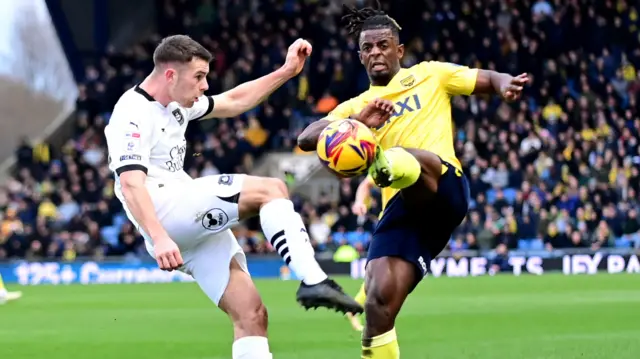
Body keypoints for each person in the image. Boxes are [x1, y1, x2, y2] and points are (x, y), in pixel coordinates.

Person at [104, 35, 362, 359]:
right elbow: (130, 184)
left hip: (186, 225)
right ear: (170, 75)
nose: (204, 85)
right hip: (165, 212)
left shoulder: (175, 104)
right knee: (272, 189)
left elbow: (235, 100)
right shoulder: (132, 113)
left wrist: (285, 72)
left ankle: (312, 282)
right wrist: (159, 237)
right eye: (199, 76)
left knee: (252, 315)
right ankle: (314, 279)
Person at [297, 3, 528, 358]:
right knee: (377, 304)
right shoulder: (356, 105)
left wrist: (503, 84)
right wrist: (358, 121)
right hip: (404, 212)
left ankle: (384, 163)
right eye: (367, 48)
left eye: (383, 44)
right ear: (360, 56)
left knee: (407, 158)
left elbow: (483, 77)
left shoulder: (430, 74)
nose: (376, 52)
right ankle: (384, 164)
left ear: (399, 50)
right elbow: (307, 137)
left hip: (443, 184)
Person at [345, 176, 375, 332]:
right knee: (378, 273)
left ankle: (354, 308)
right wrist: (359, 202)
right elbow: (367, 183)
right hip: (391, 225)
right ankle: (354, 309)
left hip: (407, 224)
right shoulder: (392, 157)